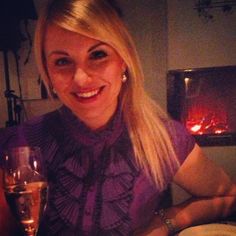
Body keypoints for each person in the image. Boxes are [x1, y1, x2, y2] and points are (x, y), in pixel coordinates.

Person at [0, 0, 236, 235]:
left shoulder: (164, 139)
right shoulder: (22, 143)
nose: (81, 79)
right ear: (48, 73)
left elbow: (228, 194)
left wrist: (166, 222)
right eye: (62, 61)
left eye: (98, 54)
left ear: (123, 60)